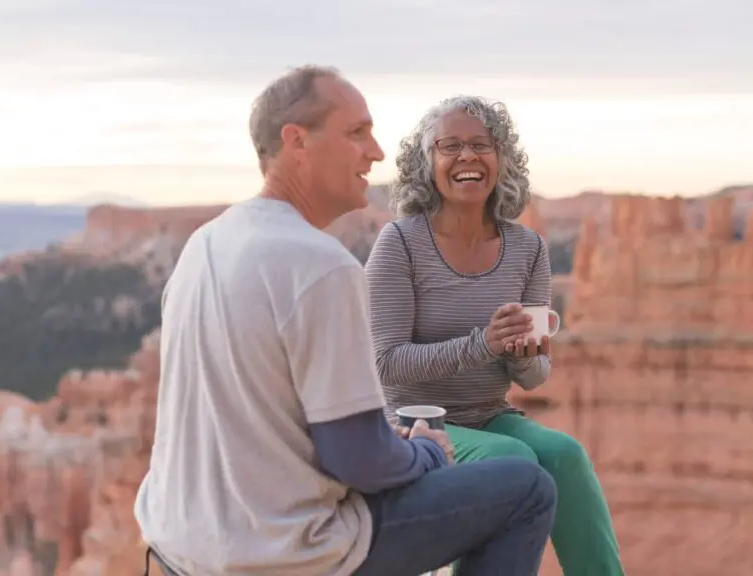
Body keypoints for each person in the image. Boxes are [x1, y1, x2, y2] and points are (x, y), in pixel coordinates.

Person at [134, 66, 556, 576]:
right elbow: (358, 462)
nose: (376, 152)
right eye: (356, 132)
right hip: (286, 551)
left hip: (179, 545)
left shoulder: (206, 244)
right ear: (297, 142)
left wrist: (388, 441)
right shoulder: (320, 263)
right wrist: (424, 452)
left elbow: (272, 413)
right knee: (527, 489)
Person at [364, 94, 625, 576]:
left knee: (565, 454)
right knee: (513, 458)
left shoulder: (528, 247)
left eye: (481, 145)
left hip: (489, 415)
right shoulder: (399, 243)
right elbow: (389, 363)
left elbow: (534, 378)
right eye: (450, 146)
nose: (467, 157)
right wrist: (482, 343)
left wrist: (524, 352)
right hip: (411, 424)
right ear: (428, 163)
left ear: (501, 159)